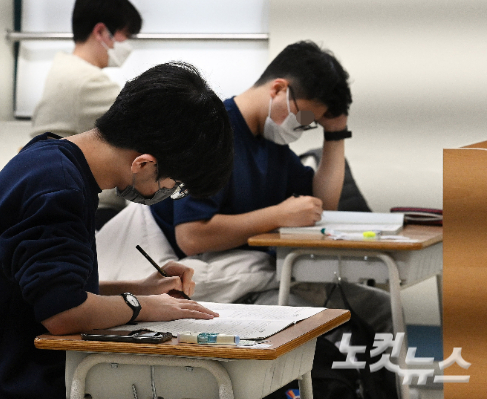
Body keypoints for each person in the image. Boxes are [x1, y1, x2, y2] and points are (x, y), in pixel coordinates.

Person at [0, 61, 234, 399]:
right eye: (174, 183)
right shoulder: (60, 188)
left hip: (1, 372)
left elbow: (48, 289)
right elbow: (62, 313)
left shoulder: (46, 156)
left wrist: (139, 288)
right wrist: (144, 306)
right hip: (11, 385)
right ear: (143, 164)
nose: (169, 191)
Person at [97, 41, 391, 332]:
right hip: (180, 272)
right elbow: (191, 235)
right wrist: (277, 216)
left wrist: (336, 133)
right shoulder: (214, 132)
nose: (301, 128)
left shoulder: (272, 145)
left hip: (238, 275)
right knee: (324, 321)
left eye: (311, 124)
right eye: (304, 119)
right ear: (278, 90)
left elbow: (321, 207)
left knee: (377, 309)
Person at [30, 0, 143, 229]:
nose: (128, 45)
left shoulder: (65, 68)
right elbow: (147, 119)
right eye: (126, 35)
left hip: (60, 202)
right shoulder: (86, 81)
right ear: (101, 31)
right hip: (86, 211)